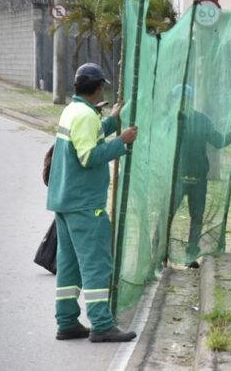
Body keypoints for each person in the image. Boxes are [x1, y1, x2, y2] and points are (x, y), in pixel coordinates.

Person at [47, 63, 138, 342]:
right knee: (96, 264)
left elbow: (89, 135)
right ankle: (101, 324)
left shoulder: (72, 110)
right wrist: (121, 141)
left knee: (70, 265)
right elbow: (89, 157)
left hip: (65, 201)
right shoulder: (86, 115)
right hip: (85, 204)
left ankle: (66, 322)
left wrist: (111, 120)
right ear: (98, 88)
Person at [170, 85, 231, 268]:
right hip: (183, 177)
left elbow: (218, 141)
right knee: (183, 216)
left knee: (192, 216)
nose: (182, 103)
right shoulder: (175, 120)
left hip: (190, 176)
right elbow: (218, 141)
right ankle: (171, 255)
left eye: (184, 99)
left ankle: (188, 255)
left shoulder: (181, 120)